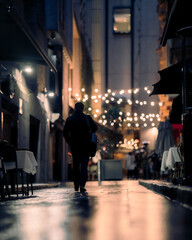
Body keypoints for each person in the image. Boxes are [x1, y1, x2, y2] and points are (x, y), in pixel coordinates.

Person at [63, 102, 97, 192]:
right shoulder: (87, 118)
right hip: (86, 146)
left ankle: (76, 185)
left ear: (75, 108)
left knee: (76, 165)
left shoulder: (70, 119)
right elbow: (95, 128)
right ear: (83, 109)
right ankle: (82, 185)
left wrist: (70, 142)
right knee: (84, 165)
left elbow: (65, 133)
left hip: (75, 146)